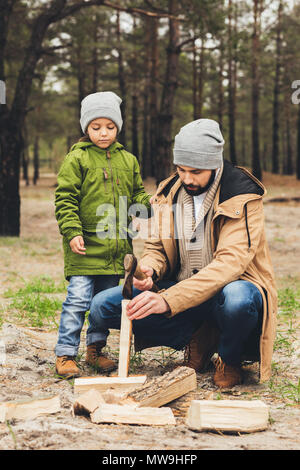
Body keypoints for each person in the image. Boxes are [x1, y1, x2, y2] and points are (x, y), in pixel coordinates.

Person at [87, 119, 277, 388]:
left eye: (196, 171)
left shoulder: (242, 195)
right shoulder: (168, 192)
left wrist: (168, 301)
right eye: (181, 169)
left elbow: (229, 265)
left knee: (238, 299)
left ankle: (229, 357)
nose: (187, 178)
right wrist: (151, 270)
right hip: (183, 291)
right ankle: (199, 337)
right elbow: (156, 249)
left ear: (214, 164)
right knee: (104, 306)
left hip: (229, 291)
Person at [54, 91, 151, 378]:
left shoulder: (128, 160)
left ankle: (95, 350)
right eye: (96, 127)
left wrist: (145, 210)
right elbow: (65, 198)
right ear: (86, 128)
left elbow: (138, 193)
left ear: (118, 127)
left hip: (115, 250)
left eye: (109, 127)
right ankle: (65, 353)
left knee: (102, 305)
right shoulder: (77, 159)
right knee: (78, 301)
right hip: (84, 248)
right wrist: (72, 231)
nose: (103, 133)